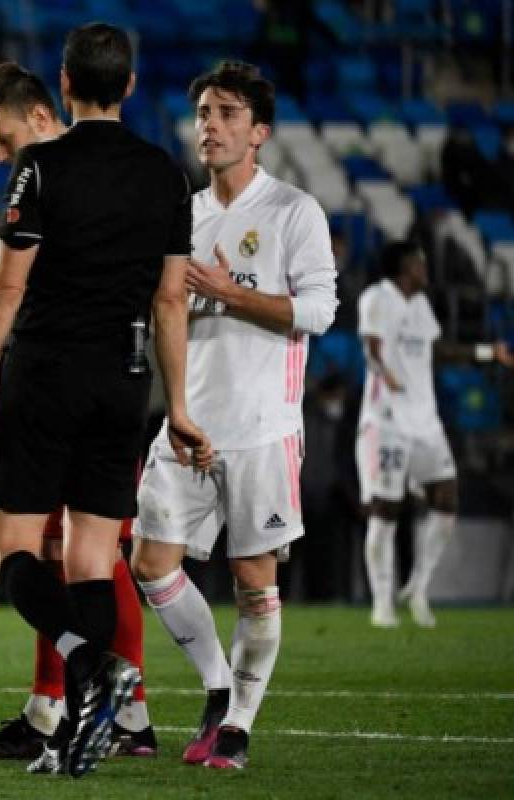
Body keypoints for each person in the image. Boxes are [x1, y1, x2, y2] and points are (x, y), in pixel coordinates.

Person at [0, 25, 208, 778]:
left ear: (63, 86)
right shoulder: (165, 172)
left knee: (6, 553)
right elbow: (170, 303)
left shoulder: (42, 167)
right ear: (128, 86)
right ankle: (79, 731)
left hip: (47, 376)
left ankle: (91, 668)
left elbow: (4, 287)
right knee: (94, 556)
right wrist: (178, 405)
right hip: (125, 384)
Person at [130, 61, 338, 771]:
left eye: (225, 113)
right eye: (203, 114)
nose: (209, 126)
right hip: (187, 423)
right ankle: (221, 687)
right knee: (150, 561)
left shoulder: (292, 212)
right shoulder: (181, 214)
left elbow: (318, 310)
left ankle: (239, 728)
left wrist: (229, 291)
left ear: (259, 132)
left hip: (262, 429)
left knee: (255, 584)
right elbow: (164, 312)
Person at [356, 240, 514, 628]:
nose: (424, 267)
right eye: (418, 262)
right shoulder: (378, 296)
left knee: (446, 501)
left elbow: (436, 350)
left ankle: (419, 588)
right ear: (401, 267)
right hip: (387, 419)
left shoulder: (422, 305)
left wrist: (485, 353)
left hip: (425, 421)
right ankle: (382, 602)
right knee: (386, 509)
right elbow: (371, 345)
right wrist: (383, 370)